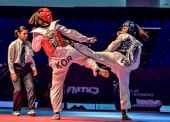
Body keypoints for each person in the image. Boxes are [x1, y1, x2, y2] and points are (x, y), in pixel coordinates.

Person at [28, 8, 109, 120]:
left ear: (39, 19)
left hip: (57, 61)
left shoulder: (37, 33)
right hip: (69, 51)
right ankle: (95, 67)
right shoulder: (55, 26)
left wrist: (35, 38)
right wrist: (86, 39)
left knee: (57, 86)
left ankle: (56, 113)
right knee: (85, 59)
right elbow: (72, 33)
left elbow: (35, 49)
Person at [73, 20, 149, 120]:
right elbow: (136, 63)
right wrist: (129, 67)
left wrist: (105, 54)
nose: (122, 29)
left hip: (116, 57)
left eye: (124, 27)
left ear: (129, 29)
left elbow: (114, 45)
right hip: (126, 66)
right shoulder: (138, 44)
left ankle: (73, 45)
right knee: (124, 88)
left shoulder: (124, 35)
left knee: (94, 55)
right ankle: (124, 112)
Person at [8, 26, 37, 116]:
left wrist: (33, 68)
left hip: (26, 69)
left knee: (31, 87)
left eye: (27, 34)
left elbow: (31, 58)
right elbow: (10, 61)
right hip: (16, 69)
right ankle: (16, 110)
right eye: (24, 34)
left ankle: (31, 109)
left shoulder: (28, 44)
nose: (26, 35)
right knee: (18, 90)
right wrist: (12, 73)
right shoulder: (13, 45)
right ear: (18, 34)